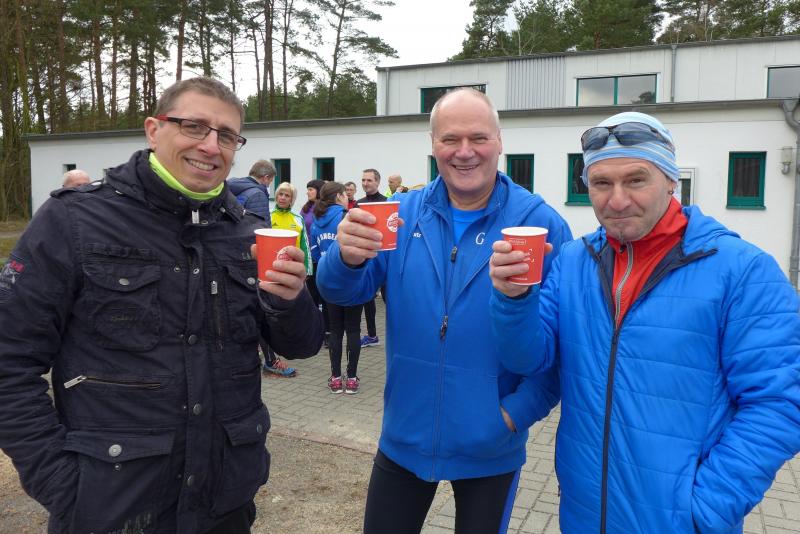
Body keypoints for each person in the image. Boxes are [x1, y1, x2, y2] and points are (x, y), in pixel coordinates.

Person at [0, 77, 323, 534]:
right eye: (194, 126)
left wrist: (290, 300)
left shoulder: (245, 231)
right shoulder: (74, 220)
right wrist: (63, 485)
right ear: (153, 130)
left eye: (227, 135)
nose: (210, 145)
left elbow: (302, 345)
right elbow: (9, 361)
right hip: (111, 508)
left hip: (224, 506)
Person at [488, 111, 800, 533]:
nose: (617, 200)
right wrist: (514, 299)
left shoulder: (743, 271)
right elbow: (529, 358)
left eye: (636, 180)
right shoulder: (574, 261)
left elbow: (778, 404)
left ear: (671, 181)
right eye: (601, 183)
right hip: (583, 515)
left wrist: (705, 510)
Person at [317, 88, 572, 533]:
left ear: (499, 141)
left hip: (491, 446)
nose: (464, 151)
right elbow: (340, 291)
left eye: (478, 137)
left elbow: (563, 348)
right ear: (433, 145)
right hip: (404, 437)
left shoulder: (540, 224)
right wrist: (345, 258)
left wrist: (514, 415)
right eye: (450, 139)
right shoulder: (400, 214)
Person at [229, 161, 297, 378]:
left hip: (232, 258)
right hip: (250, 261)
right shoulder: (257, 194)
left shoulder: (233, 188)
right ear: (266, 178)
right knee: (260, 313)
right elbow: (261, 232)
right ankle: (270, 360)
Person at [311, 182, 365, 394]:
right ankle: (351, 378)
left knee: (335, 330)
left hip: (328, 283)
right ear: (339, 196)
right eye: (345, 195)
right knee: (353, 329)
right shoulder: (347, 217)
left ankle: (335, 378)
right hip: (352, 281)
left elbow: (315, 254)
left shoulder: (316, 220)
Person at [357, 168, 387, 348]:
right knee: (367, 296)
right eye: (363, 180)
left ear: (377, 182)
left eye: (369, 180)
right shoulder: (358, 204)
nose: (365, 183)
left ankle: (397, 332)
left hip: (385, 257)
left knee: (389, 297)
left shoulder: (386, 202)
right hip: (366, 256)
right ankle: (372, 334)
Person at [302, 178, 328, 343]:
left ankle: (326, 330)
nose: (308, 192)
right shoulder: (305, 208)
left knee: (323, 295)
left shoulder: (324, 208)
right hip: (309, 257)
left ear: (319, 191)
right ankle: (314, 330)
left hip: (321, 256)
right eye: (308, 189)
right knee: (311, 295)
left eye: (311, 189)